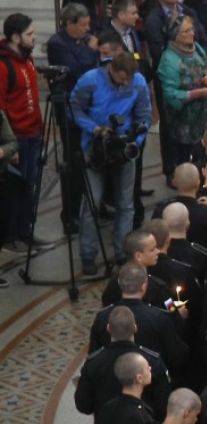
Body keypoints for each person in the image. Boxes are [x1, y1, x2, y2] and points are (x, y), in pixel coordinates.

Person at [69, 52, 151, 276]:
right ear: (112, 70)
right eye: (121, 79)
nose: (125, 83)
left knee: (125, 204)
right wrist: (94, 128)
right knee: (92, 204)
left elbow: (144, 116)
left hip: (123, 150)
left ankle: (122, 253)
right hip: (94, 147)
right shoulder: (90, 81)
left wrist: (135, 141)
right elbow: (74, 108)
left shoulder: (138, 82)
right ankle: (88, 255)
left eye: (128, 80)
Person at [0, 14, 45, 258]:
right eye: (29, 34)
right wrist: (10, 146)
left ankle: (25, 231)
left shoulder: (26, 61)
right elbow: (1, 108)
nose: (34, 37)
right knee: (14, 189)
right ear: (16, 37)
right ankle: (11, 236)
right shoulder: (3, 66)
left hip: (32, 133)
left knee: (30, 186)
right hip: (16, 137)